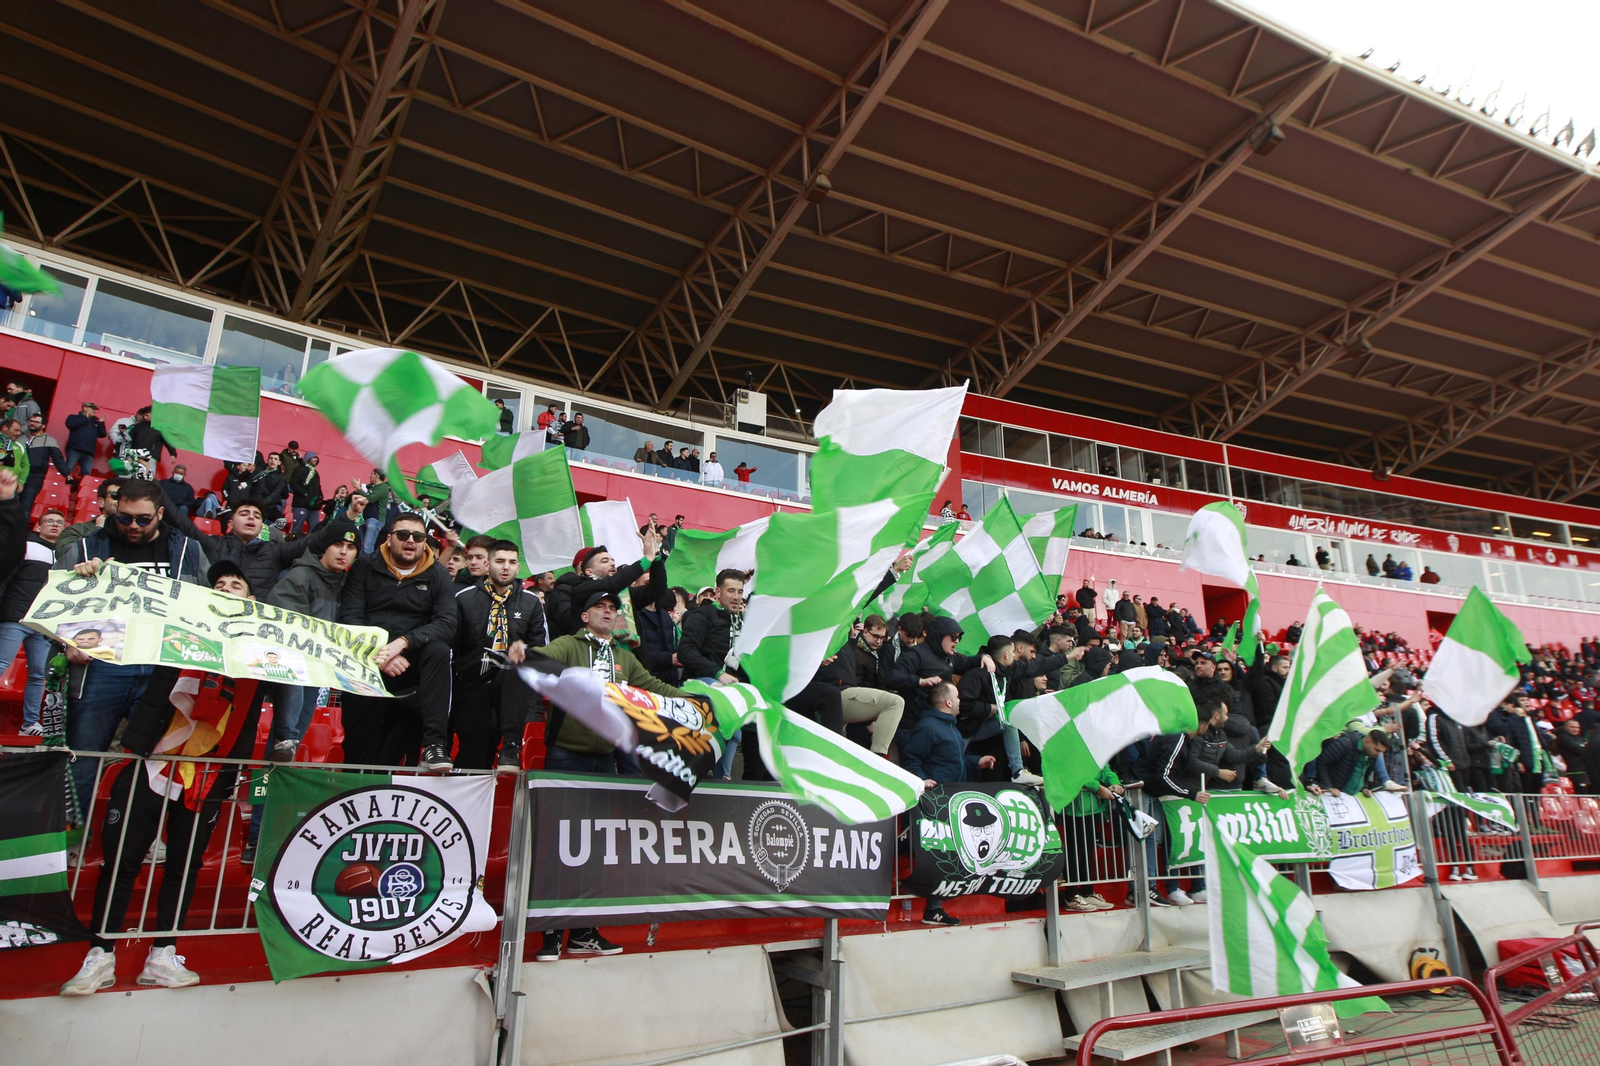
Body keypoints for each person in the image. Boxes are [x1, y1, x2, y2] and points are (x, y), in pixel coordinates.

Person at [59, 559, 271, 996]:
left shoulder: (264, 654)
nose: (227, 588)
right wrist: (93, 581)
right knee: (121, 862)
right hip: (151, 762)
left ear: (251, 601)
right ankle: (100, 954)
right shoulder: (171, 629)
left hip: (211, 773)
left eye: (237, 585)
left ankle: (163, 954)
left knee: (184, 866)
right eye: (219, 584)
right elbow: (122, 618)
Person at [531, 589, 688, 961]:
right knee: (559, 845)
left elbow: (656, 688)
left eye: (612, 608)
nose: (607, 612)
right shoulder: (568, 645)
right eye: (599, 607)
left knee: (593, 847)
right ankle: (549, 932)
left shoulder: (624, 657)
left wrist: (695, 701)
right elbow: (539, 661)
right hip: (566, 755)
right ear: (584, 616)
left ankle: (583, 930)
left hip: (605, 760)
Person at [54, 479, 210, 806]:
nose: (133, 526)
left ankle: (139, 841)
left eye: (143, 519)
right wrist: (67, 640)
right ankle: (67, 840)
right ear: (113, 509)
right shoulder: (84, 549)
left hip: (161, 666)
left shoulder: (188, 551)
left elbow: (207, 606)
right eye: (124, 518)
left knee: (157, 762)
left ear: (161, 513)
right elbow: (50, 606)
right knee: (82, 756)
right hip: (103, 666)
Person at [338, 513, 460, 771]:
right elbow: (351, 617)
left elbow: (447, 623)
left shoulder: (437, 574)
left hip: (412, 664)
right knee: (358, 753)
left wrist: (403, 643)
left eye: (418, 537)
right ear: (390, 538)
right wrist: (382, 653)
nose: (410, 541)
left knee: (440, 650)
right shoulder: (365, 566)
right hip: (367, 661)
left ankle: (434, 745)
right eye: (403, 535)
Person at [261, 521, 361, 761]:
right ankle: (263, 788)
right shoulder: (300, 575)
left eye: (350, 546)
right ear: (325, 548)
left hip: (317, 670)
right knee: (285, 736)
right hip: (291, 665)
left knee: (290, 743)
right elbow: (283, 618)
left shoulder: (348, 585)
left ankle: (269, 790)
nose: (343, 551)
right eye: (338, 544)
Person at [899, 681, 996, 926]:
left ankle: (935, 909)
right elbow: (912, 757)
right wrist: (922, 781)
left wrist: (976, 762)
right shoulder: (929, 727)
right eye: (958, 696)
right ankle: (933, 910)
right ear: (948, 702)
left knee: (947, 855)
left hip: (952, 802)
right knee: (939, 855)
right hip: (936, 803)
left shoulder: (948, 727)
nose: (961, 700)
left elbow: (955, 759)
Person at [451, 539, 546, 771]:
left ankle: (511, 745)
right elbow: (451, 645)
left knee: (517, 667)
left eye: (512, 562)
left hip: (511, 685)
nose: (506, 567)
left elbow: (541, 649)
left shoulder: (531, 602)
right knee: (474, 751)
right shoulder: (464, 598)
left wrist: (525, 651)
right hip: (473, 682)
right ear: (487, 563)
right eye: (500, 561)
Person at [165, 497, 341, 601]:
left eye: (257, 516)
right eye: (244, 514)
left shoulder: (276, 551)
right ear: (230, 523)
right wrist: (156, 495)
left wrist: (347, 515)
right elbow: (181, 524)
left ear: (260, 526)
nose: (251, 517)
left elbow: (314, 541)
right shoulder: (214, 544)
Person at [0, 472, 60, 733]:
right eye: (49, 521)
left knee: (38, 675)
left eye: (59, 522)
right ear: (38, 526)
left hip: (42, 624)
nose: (55, 525)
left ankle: (30, 723)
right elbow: (6, 575)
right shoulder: (24, 544)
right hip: (15, 616)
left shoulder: (66, 556)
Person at [681, 569, 750, 779]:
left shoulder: (742, 623)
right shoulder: (703, 615)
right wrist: (718, 674)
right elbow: (686, 651)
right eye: (731, 591)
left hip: (731, 690)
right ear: (717, 593)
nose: (737, 596)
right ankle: (719, 776)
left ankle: (722, 778)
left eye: (740, 591)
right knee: (732, 724)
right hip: (699, 684)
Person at [19, 413, 68, 517]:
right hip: (17, 475)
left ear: (43, 425)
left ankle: (19, 532)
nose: (32, 423)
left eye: (36, 422)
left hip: (34, 477)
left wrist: (67, 474)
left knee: (25, 506)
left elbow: (58, 459)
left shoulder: (50, 441)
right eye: (31, 421)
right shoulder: (20, 438)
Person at [63, 402, 106, 479]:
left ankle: (82, 489)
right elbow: (70, 425)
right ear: (85, 408)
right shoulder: (73, 417)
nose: (95, 411)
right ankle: (64, 486)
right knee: (68, 469)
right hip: (74, 449)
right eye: (93, 409)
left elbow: (102, 434)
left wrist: (101, 423)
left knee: (87, 474)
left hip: (89, 452)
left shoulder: (95, 420)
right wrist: (85, 418)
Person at [356, 470, 391, 554]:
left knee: (367, 547)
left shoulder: (383, 487)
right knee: (361, 547)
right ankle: (360, 566)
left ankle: (368, 566)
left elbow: (370, 499)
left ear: (377, 475)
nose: (370, 476)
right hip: (366, 518)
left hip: (375, 519)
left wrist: (358, 488)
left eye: (372, 474)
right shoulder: (373, 487)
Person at [288, 452, 323, 534]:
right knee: (297, 529)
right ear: (307, 459)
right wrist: (305, 494)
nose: (316, 459)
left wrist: (320, 496)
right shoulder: (299, 469)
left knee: (315, 529)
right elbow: (294, 484)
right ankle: (293, 545)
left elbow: (318, 486)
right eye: (314, 457)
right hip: (301, 504)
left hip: (314, 506)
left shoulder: (315, 473)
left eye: (316, 458)